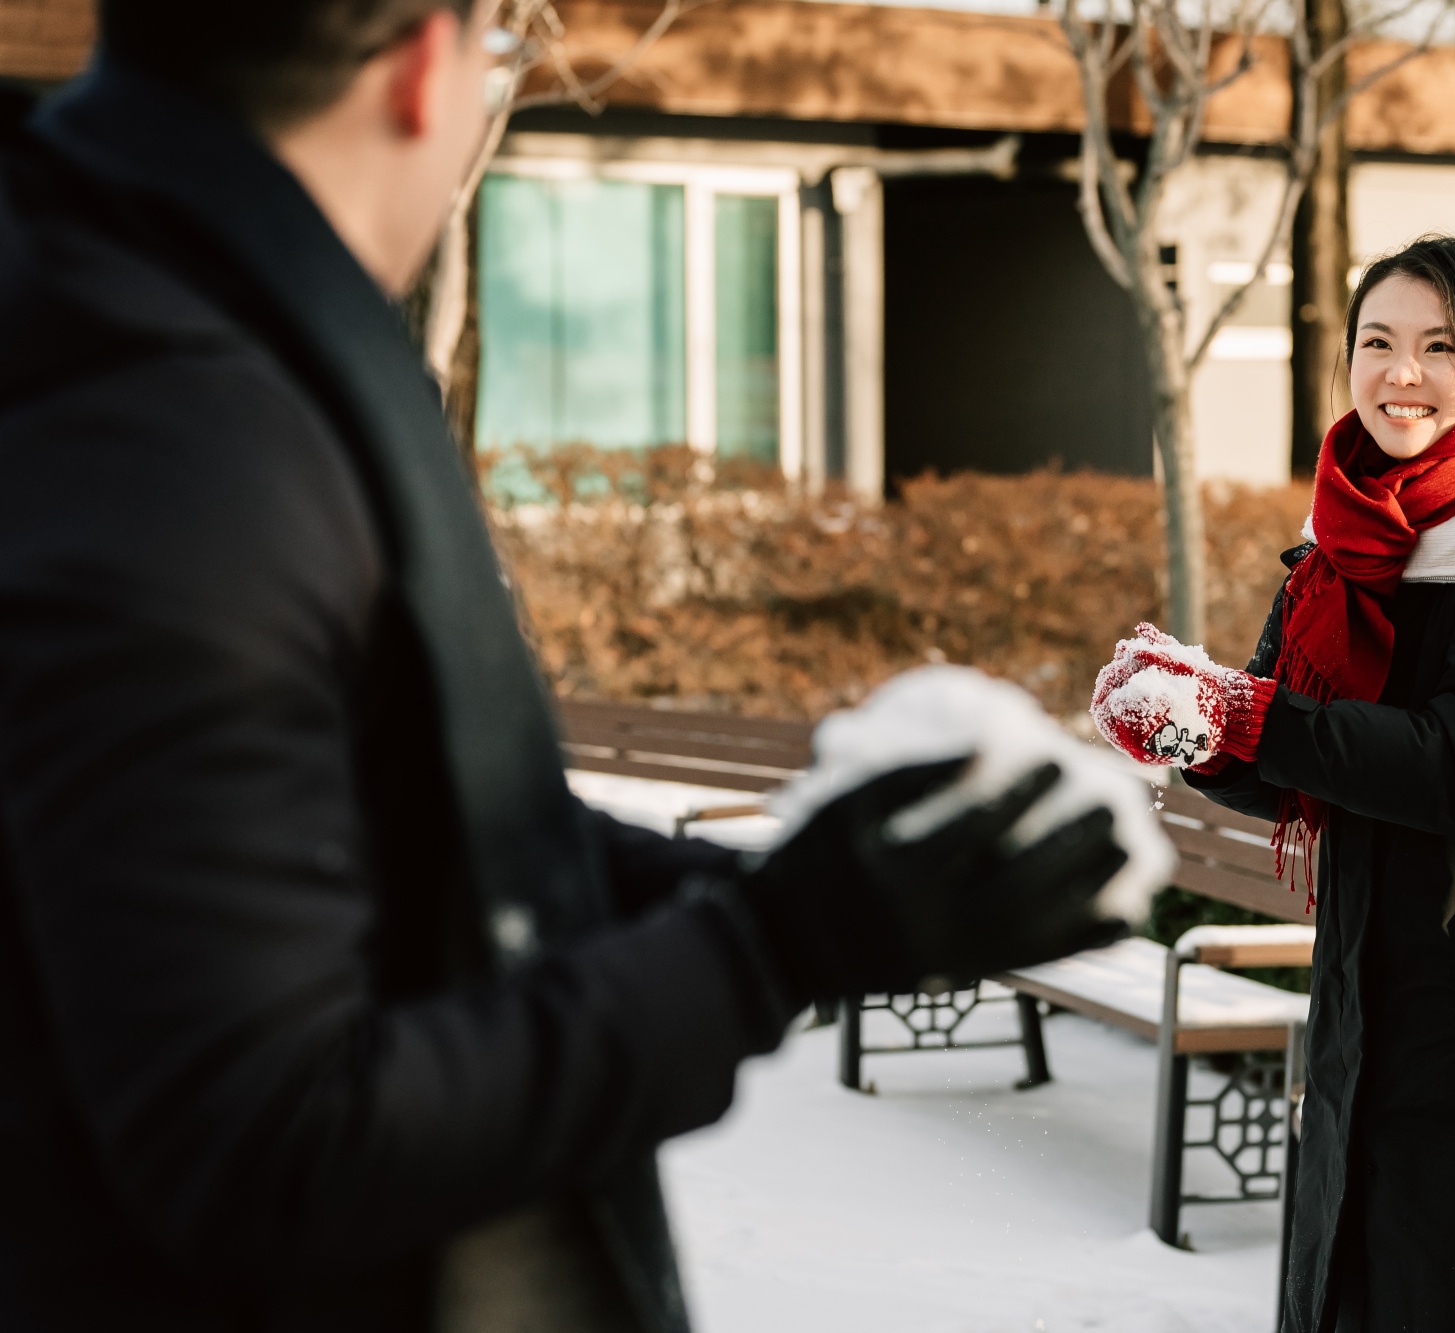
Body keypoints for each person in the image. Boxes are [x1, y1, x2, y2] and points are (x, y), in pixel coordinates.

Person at [0, 4, 1131, 1330]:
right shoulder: (178, 436)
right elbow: (267, 1141)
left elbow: (379, 806)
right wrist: (775, 946)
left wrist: (797, 891)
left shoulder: (132, 306)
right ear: (428, 67)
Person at [1091, 235, 1455, 1332]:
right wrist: (1192, 731)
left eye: (1440, 346)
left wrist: (1243, 714)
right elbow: (1300, 761)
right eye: (1377, 342)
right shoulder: (1340, 551)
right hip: (1367, 1030)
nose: (1401, 373)